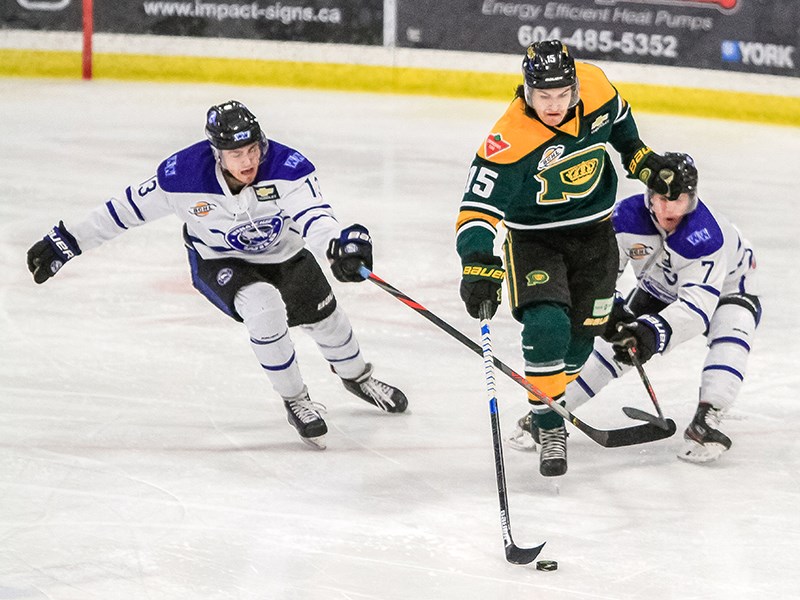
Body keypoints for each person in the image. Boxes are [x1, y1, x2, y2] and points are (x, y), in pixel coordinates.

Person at [26, 100, 408, 450]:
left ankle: (357, 377)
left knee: (327, 321)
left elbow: (314, 214)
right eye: (237, 154)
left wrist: (338, 244)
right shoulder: (181, 176)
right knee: (264, 308)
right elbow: (123, 211)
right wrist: (68, 241)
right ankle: (296, 400)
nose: (248, 161)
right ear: (216, 153)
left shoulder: (288, 167)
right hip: (220, 261)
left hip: (286, 255)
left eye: (253, 150)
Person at [456, 40, 674, 477]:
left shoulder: (594, 85)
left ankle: (546, 404)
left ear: (574, 87)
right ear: (527, 92)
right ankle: (550, 424)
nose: (553, 105)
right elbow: (476, 211)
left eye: (560, 95)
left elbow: (623, 129)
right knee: (546, 324)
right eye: (542, 96)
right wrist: (477, 261)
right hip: (536, 240)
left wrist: (642, 159)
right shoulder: (510, 139)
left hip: (595, 234)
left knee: (580, 342)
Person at [510, 152, 760, 464]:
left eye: (678, 199)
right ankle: (551, 412)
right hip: (658, 286)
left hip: (729, 288)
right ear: (649, 196)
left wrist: (651, 335)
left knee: (733, 334)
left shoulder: (707, 235)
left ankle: (706, 421)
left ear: (692, 197)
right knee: (615, 347)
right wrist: (611, 311)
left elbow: (697, 309)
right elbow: (600, 272)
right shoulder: (625, 218)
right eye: (660, 198)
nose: (668, 209)